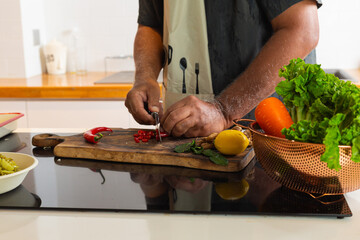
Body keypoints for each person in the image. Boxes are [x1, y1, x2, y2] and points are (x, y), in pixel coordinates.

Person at [125, 0, 322, 138]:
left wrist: (224, 111)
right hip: (187, 136)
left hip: (269, 137)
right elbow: (151, 25)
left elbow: (302, 31)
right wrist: (145, 77)